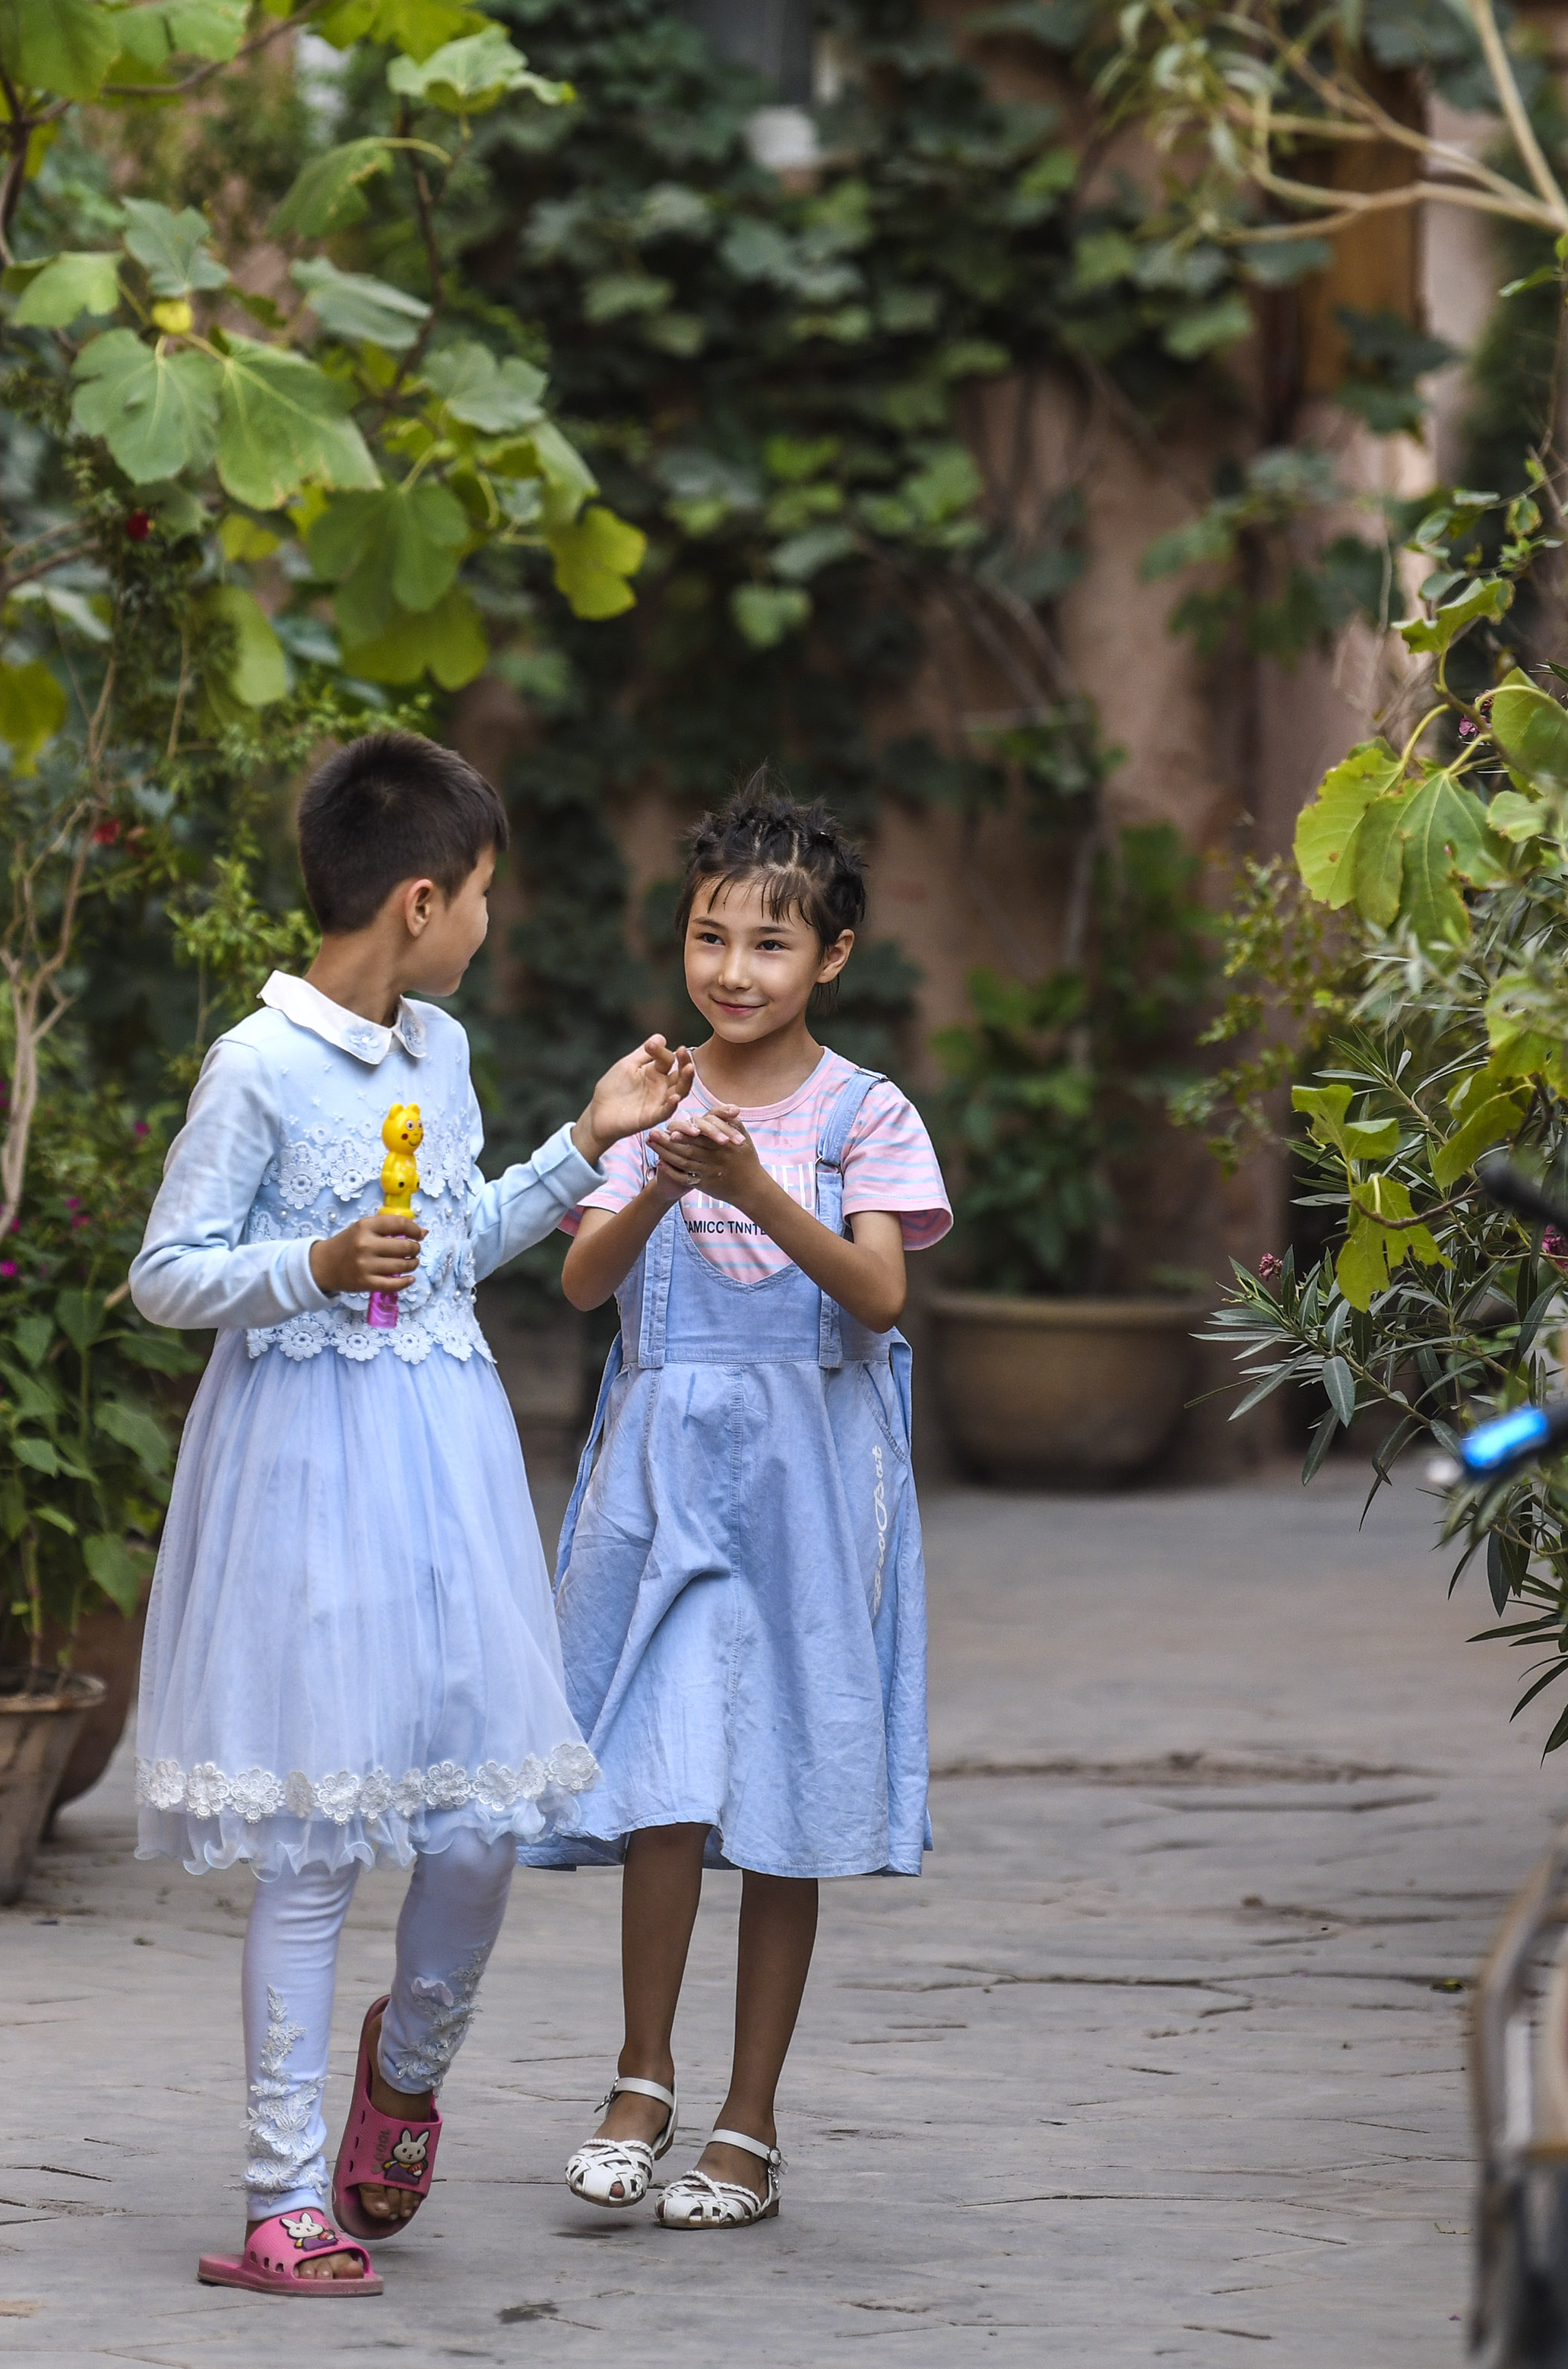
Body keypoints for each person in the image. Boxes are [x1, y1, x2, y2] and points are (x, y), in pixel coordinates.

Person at [125, 731, 692, 2298]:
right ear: (422, 897)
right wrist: (304, 1268)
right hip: (306, 1470)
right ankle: (280, 2193)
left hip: (445, 1457)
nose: (491, 922)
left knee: (483, 1813)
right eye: (485, 896)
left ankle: (411, 2060)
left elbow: (459, 1246)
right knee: (313, 1833)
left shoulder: (436, 1053)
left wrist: (587, 1139)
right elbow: (166, 1273)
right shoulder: (257, 1068)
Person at [534, 782, 950, 2231]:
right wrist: (652, 1170)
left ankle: (748, 2122)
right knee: (661, 1774)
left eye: (771, 946)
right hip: (665, 1488)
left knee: (780, 1797)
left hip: (809, 1501)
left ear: (831, 958)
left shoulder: (865, 1114)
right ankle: (640, 2076)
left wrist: (760, 1191)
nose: (733, 972)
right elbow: (585, 1283)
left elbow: (882, 1295)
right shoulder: (651, 1089)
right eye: (711, 937)